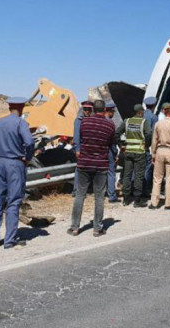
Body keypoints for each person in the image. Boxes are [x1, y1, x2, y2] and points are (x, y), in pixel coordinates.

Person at [0, 97, 35, 249]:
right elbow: (29, 142)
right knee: (13, 201)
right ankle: (9, 240)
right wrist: (27, 158)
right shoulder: (21, 122)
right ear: (22, 108)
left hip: (0, 163)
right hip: (15, 163)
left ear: (9, 106)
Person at [68, 100, 117, 237]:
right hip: (101, 164)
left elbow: (79, 139)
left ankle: (74, 227)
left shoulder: (84, 122)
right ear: (105, 109)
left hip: (84, 163)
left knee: (80, 195)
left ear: (93, 109)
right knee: (99, 197)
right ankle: (97, 228)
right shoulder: (110, 125)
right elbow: (112, 145)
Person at [116, 104, 152, 207]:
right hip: (139, 153)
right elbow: (149, 134)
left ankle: (126, 199)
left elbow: (117, 133)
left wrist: (121, 145)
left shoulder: (127, 121)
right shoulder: (143, 122)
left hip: (128, 152)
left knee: (127, 175)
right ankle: (137, 201)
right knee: (138, 176)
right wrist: (147, 145)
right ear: (140, 112)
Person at [149, 103, 170, 209]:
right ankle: (168, 203)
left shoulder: (158, 124)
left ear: (164, 111)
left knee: (157, 178)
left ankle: (154, 202)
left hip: (160, 151)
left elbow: (154, 140)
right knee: (169, 178)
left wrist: (153, 153)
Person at [72, 101, 94, 197]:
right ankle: (76, 191)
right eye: (85, 109)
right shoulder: (79, 120)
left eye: (89, 109)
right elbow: (76, 136)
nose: (87, 111)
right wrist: (77, 149)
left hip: (90, 148)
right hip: (82, 148)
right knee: (80, 170)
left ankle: (85, 189)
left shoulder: (92, 120)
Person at [142, 96, 158, 198]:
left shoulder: (140, 115)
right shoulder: (154, 117)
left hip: (138, 146)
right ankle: (145, 191)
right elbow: (154, 135)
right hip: (147, 146)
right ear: (154, 106)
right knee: (147, 168)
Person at [105, 101, 119, 203]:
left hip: (99, 150)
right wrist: (115, 153)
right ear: (109, 111)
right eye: (113, 111)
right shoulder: (110, 123)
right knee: (111, 172)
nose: (113, 113)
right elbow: (112, 141)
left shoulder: (98, 120)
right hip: (108, 150)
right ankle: (112, 195)